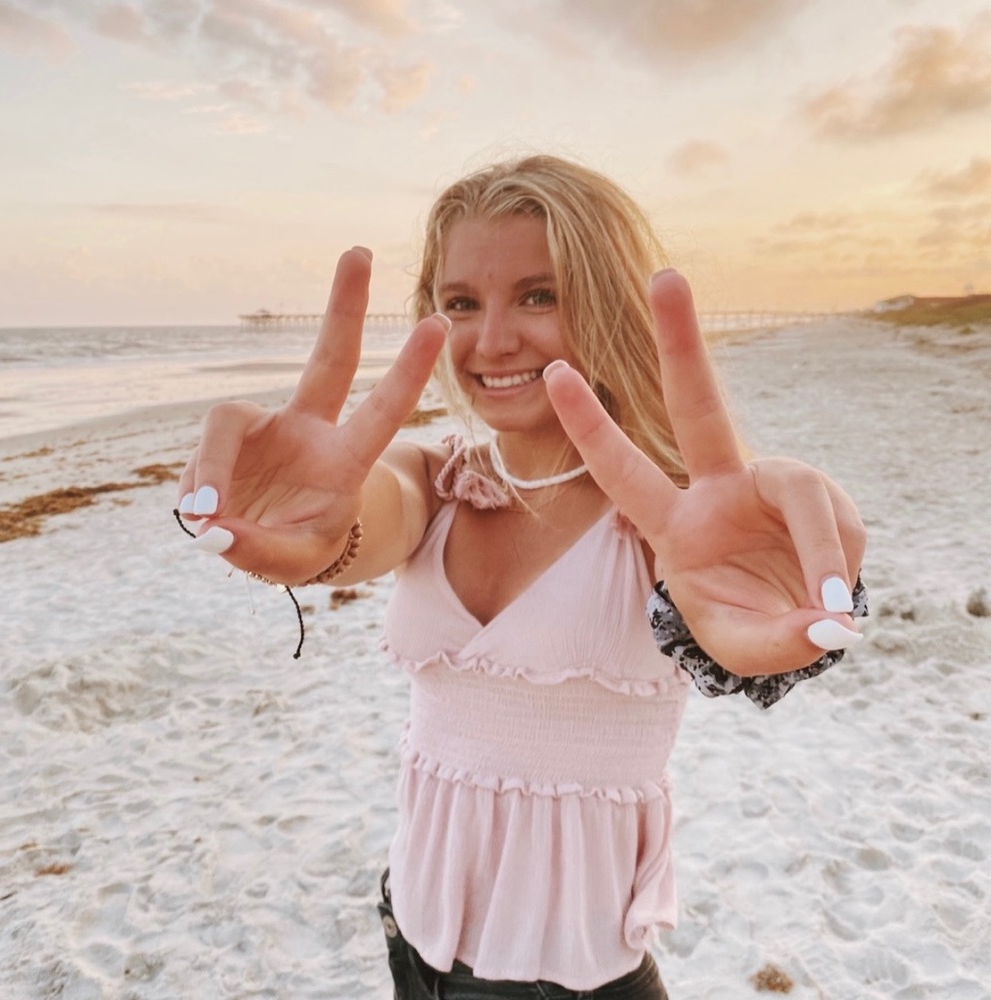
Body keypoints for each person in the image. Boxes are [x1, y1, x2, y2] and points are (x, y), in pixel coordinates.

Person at [178, 154, 867, 998]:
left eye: (539, 296)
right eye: (462, 302)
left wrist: (791, 615)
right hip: (409, 939)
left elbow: (731, 630)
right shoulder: (435, 479)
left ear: (609, 302)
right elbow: (359, 520)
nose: (492, 340)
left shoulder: (671, 522)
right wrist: (306, 530)